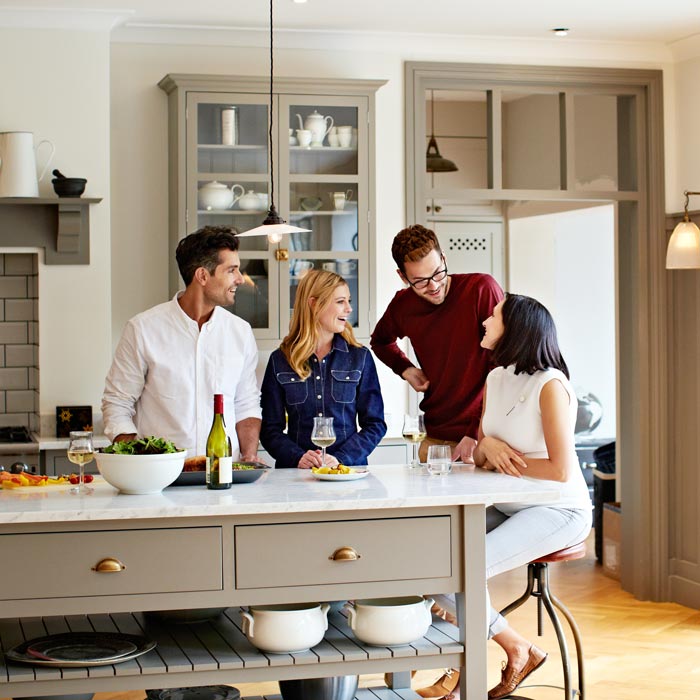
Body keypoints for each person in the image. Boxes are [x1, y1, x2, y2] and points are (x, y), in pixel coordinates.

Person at [429, 294, 591, 700]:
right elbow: (482, 450)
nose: (485, 320)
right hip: (507, 502)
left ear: (517, 329)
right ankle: (517, 647)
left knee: (461, 567)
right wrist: (489, 451)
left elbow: (559, 470)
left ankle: (465, 668)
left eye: (495, 316)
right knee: (425, 553)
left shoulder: (550, 385)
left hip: (558, 508)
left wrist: (497, 455)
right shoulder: (497, 377)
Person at [102, 226, 261, 460]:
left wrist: (249, 457)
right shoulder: (143, 329)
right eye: (231, 270)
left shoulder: (240, 332)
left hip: (224, 473)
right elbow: (117, 403)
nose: (240, 279)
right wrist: (138, 459)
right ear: (203, 276)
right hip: (160, 478)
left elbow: (246, 403)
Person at [370, 224, 503, 464]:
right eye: (419, 281)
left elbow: (502, 368)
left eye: (438, 273)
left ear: (443, 258)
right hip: (433, 440)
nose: (433, 286)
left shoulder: (481, 290)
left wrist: (474, 431)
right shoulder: (403, 306)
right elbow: (380, 341)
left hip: (483, 438)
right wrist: (406, 368)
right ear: (402, 276)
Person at [261, 269, 386, 468]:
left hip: (347, 475)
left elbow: (375, 425)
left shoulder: (360, 357)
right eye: (340, 301)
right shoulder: (280, 359)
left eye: (349, 301)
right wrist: (297, 457)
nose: (349, 309)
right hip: (296, 478)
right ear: (314, 304)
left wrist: (341, 458)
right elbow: (269, 429)